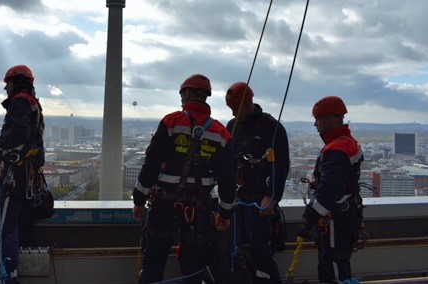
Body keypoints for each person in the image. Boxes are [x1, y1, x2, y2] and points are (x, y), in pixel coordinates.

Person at [132, 74, 237, 284]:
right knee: (193, 268)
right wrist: (225, 213)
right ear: (205, 97)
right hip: (198, 211)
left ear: (187, 94)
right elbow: (228, 178)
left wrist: (139, 200)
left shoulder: (171, 122)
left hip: (164, 206)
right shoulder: (221, 133)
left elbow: (151, 164)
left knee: (153, 264)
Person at [0, 64, 45, 284]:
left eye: (7, 82)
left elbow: (17, 135)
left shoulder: (20, 102)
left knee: (4, 228)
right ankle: (12, 272)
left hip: (15, 175)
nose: (6, 87)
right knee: (19, 224)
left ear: (15, 82)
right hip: (26, 175)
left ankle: (6, 276)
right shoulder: (34, 104)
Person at [224, 82, 290, 283]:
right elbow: (226, 162)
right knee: (233, 245)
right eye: (231, 109)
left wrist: (272, 197)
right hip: (238, 195)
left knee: (259, 246)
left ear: (250, 103)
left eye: (237, 108)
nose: (235, 113)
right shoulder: (232, 126)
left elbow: (281, 166)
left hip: (260, 196)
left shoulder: (271, 127)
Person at [297, 96, 364, 284]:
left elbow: (328, 193)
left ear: (330, 120)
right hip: (347, 214)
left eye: (318, 119)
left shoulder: (336, 149)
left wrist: (307, 219)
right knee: (342, 260)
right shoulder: (349, 142)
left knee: (328, 261)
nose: (316, 125)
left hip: (335, 219)